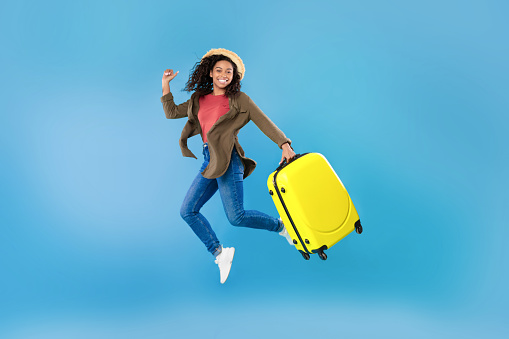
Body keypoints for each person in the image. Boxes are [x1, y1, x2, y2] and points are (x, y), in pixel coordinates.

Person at [160, 48, 295, 284]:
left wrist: (284, 144)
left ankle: (281, 227)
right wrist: (165, 85)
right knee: (187, 211)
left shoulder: (239, 101)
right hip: (209, 159)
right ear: (211, 73)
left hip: (228, 158)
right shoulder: (197, 100)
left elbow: (264, 122)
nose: (224, 74)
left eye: (229, 71)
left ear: (234, 76)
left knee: (236, 217)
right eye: (219, 70)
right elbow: (171, 113)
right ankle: (220, 253)